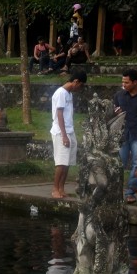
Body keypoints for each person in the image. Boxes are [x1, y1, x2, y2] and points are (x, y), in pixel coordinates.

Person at [50, 68, 87, 199]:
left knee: (67, 162)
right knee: (61, 162)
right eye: (81, 85)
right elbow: (59, 115)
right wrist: (64, 135)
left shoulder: (69, 93)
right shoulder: (61, 93)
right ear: (76, 81)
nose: (80, 89)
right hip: (61, 132)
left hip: (69, 131)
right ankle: (55, 188)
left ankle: (61, 187)